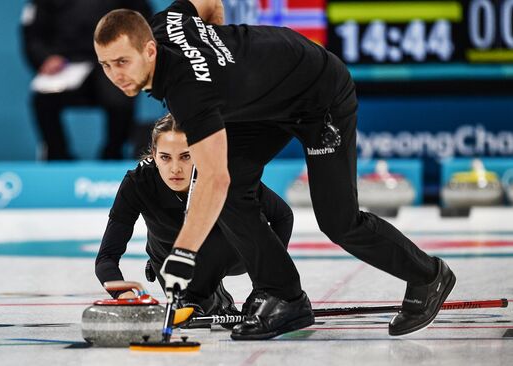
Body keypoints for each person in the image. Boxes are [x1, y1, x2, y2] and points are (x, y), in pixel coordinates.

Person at [93, 0, 456, 340]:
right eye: (106, 65)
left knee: (338, 220)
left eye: (122, 62)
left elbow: (214, 177)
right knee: (235, 190)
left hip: (319, 96)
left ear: (149, 50)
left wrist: (183, 254)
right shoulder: (166, 21)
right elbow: (209, 3)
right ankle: (285, 297)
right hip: (268, 99)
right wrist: (225, 58)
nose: (115, 75)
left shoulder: (190, 93)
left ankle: (428, 276)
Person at [95, 113, 294, 322]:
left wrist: (267, 287)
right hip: (168, 260)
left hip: (230, 255)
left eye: (185, 156)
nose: (175, 169)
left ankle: (208, 292)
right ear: (153, 154)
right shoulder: (139, 183)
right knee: (189, 311)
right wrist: (124, 295)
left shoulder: (221, 175)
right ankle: (205, 296)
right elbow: (106, 258)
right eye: (165, 157)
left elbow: (283, 216)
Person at [20, 0, 153, 160]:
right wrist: (45, 58)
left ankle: (112, 153)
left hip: (111, 61)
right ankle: (58, 155)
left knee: (121, 96)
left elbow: (144, 24)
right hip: (66, 64)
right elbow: (33, 34)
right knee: (43, 98)